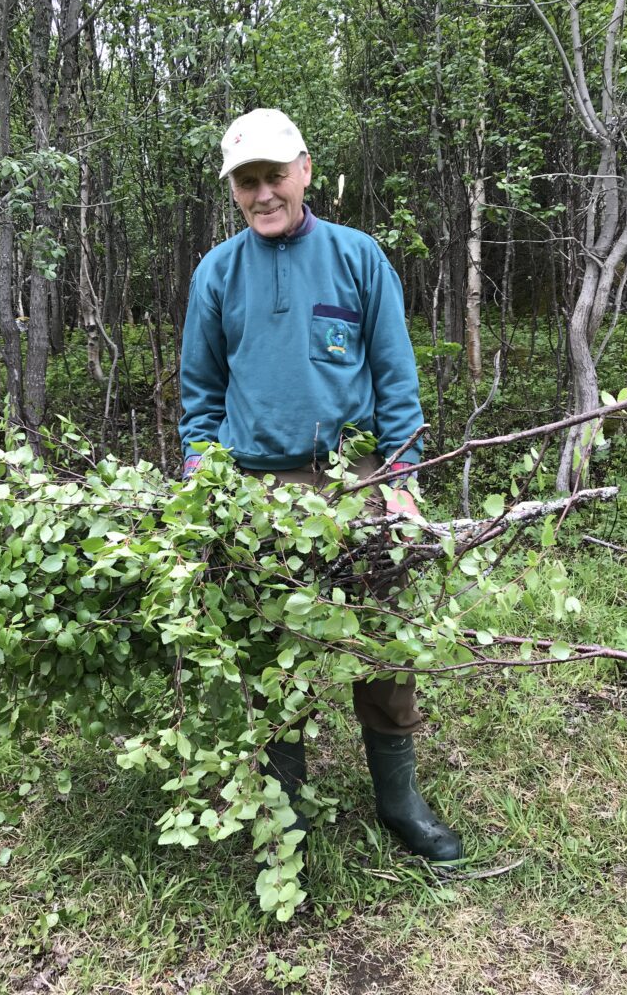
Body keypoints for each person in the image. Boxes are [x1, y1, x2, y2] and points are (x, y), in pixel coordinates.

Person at [178, 108, 462, 864]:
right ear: (232, 189)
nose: (263, 193)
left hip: (356, 483)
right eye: (248, 181)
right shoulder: (217, 273)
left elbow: (397, 380)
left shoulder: (359, 257)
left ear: (304, 169)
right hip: (255, 493)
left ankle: (399, 801)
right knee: (274, 651)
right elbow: (200, 397)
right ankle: (286, 809)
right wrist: (203, 484)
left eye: (275, 175)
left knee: (383, 648)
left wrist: (401, 479)